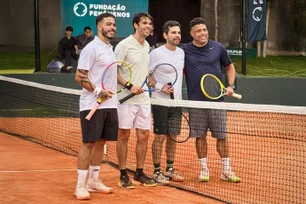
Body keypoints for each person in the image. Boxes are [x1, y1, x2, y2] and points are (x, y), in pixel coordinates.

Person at [181, 17, 241, 183]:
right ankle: (204, 169)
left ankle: (226, 170)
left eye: (204, 30)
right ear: (192, 34)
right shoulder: (184, 50)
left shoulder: (218, 48)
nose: (203, 33)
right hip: (196, 103)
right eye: (198, 31)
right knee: (200, 137)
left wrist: (230, 86)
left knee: (222, 137)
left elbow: (229, 66)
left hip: (217, 101)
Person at [74, 13, 118, 200]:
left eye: (114, 24)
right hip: (92, 104)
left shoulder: (110, 48)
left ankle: (94, 180)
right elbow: (80, 76)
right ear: (99, 27)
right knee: (88, 143)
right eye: (108, 24)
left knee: (101, 142)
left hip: (110, 104)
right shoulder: (91, 48)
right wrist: (98, 91)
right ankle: (80, 185)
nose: (112, 27)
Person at [114, 12, 156, 189]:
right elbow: (113, 71)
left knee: (144, 135)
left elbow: (144, 71)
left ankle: (139, 172)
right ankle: (123, 174)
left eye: (150, 23)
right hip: (125, 98)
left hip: (144, 98)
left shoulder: (147, 46)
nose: (148, 26)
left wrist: (152, 81)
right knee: (124, 135)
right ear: (135, 25)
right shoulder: (124, 45)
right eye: (144, 23)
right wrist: (129, 85)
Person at [149, 20, 185, 185]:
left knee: (173, 137)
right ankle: (157, 172)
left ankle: (169, 169)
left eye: (178, 32)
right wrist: (159, 87)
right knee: (160, 137)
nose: (177, 35)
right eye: (173, 32)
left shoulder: (181, 53)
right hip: (160, 103)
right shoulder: (156, 54)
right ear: (165, 35)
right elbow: (146, 75)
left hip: (176, 103)